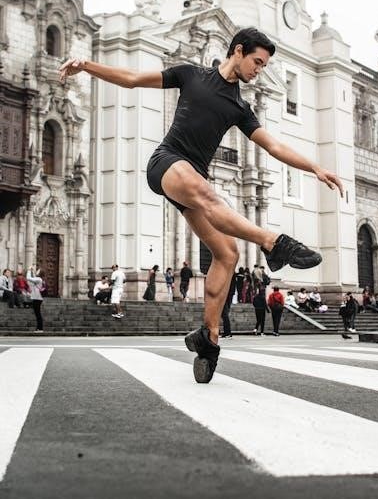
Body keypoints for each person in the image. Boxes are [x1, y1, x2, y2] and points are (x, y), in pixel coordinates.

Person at [60, 27, 343, 383]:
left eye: (264, 65)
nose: (259, 70)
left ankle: (208, 339)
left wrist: (315, 167)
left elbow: (274, 147)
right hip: (166, 163)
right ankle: (273, 242)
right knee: (209, 195)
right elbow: (132, 79)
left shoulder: (240, 107)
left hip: (193, 182)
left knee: (228, 253)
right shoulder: (191, 74)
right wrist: (87, 65)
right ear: (238, 51)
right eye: (257, 62)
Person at [26, 267, 45, 332]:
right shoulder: (39, 279)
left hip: (37, 298)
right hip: (37, 298)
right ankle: (39, 328)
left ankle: (40, 328)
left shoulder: (39, 279)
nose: (37, 271)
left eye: (38, 270)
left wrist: (29, 270)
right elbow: (33, 278)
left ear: (40, 273)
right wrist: (32, 271)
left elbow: (28, 278)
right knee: (37, 314)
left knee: (38, 314)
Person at [221, 273, 236, 338]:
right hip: (229, 293)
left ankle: (227, 332)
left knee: (224, 313)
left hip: (226, 294)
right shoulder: (231, 273)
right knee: (224, 313)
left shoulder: (229, 273)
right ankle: (227, 332)